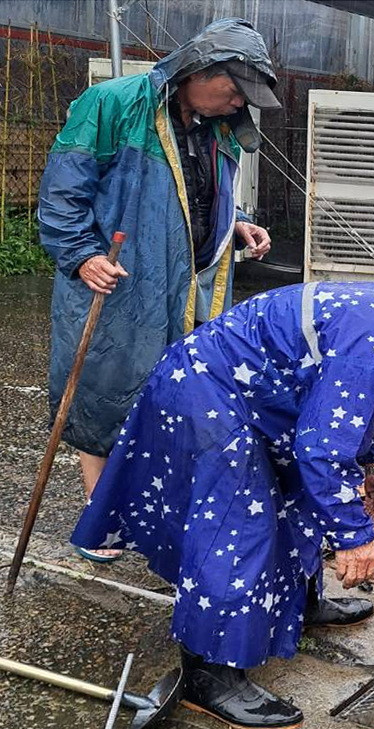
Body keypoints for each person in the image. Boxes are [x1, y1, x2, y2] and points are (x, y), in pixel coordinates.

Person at [69, 255, 374, 729]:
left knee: (297, 500)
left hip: (252, 396)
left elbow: (366, 408)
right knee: (236, 528)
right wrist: (355, 537)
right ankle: (208, 673)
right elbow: (322, 449)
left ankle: (296, 602)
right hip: (207, 396)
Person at [38, 18, 278, 561]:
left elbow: (197, 191)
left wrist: (235, 221)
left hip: (188, 281)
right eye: (234, 89)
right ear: (198, 71)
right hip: (120, 279)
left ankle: (153, 506)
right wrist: (81, 257)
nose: (238, 103)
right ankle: (102, 518)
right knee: (106, 392)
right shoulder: (113, 105)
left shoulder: (219, 126)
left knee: (179, 395)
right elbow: (61, 195)